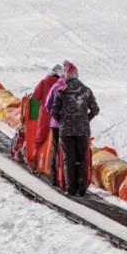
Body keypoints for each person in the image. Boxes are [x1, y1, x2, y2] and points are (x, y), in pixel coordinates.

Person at [51, 62, 99, 196]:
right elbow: (95, 109)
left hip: (66, 131)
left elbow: (54, 110)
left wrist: (62, 121)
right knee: (82, 157)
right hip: (83, 130)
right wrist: (86, 119)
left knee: (68, 159)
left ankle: (70, 188)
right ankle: (82, 187)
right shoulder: (86, 91)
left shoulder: (62, 91)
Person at [32, 64, 63, 164]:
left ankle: (34, 159)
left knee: (40, 137)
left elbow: (36, 96)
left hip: (45, 115)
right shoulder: (63, 85)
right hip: (59, 117)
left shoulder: (44, 82)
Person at [44, 73, 66, 184]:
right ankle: (65, 177)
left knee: (56, 148)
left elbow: (47, 104)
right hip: (70, 125)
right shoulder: (74, 87)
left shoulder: (55, 86)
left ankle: (54, 176)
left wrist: (54, 115)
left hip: (55, 124)